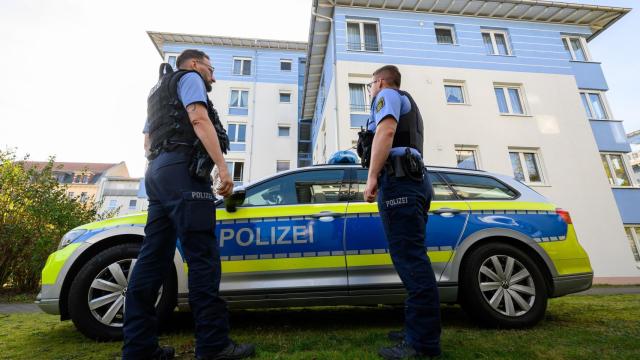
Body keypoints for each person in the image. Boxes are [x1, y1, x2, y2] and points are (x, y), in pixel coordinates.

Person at [123, 49, 255, 360]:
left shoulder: (157, 92)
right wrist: (223, 169)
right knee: (202, 256)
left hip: (157, 171)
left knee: (152, 258)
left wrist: (162, 167)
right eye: (211, 68)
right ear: (195, 64)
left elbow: (146, 141)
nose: (213, 75)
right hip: (183, 170)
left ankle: (139, 349)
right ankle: (213, 346)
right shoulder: (190, 78)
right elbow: (198, 116)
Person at [361, 65, 442, 359]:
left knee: (411, 261)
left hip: (401, 184)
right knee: (411, 259)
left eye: (371, 84)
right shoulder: (403, 99)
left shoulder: (387, 95)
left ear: (380, 82)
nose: (370, 90)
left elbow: (386, 130)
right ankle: (417, 330)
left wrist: (371, 177)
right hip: (411, 181)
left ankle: (422, 344)